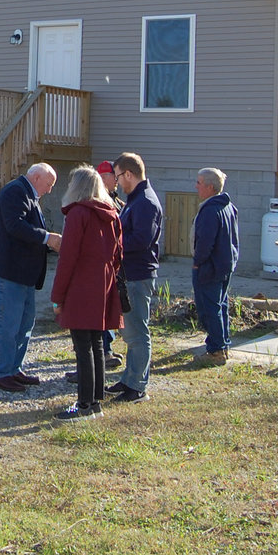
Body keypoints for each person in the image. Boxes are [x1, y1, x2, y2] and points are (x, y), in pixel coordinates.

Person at [0, 162, 62, 393]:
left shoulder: (27, 193)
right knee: (8, 322)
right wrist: (47, 238)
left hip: (20, 273)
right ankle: (1, 373)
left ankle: (13, 368)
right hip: (8, 271)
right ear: (36, 178)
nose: (50, 189)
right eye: (49, 183)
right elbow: (15, 226)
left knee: (24, 321)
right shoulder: (15, 191)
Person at [49, 165, 123, 419]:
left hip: (81, 285)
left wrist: (58, 296)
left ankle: (84, 404)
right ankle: (95, 401)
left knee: (83, 346)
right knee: (97, 344)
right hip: (103, 283)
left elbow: (67, 258)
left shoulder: (78, 214)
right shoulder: (111, 213)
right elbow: (118, 255)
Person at [108, 152, 163, 402]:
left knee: (138, 331)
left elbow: (141, 240)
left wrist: (111, 242)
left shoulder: (146, 203)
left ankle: (138, 386)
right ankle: (129, 378)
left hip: (138, 276)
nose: (117, 182)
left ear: (129, 174)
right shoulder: (134, 199)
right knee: (129, 330)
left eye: (118, 176)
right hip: (129, 274)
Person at [192, 166, 240, 365]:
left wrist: (197, 263)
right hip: (225, 265)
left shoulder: (211, 210)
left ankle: (216, 351)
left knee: (209, 309)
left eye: (199, 183)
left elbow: (205, 242)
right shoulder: (228, 206)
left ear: (210, 187)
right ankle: (223, 344)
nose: (196, 187)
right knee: (220, 306)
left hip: (210, 268)